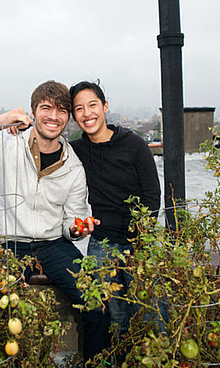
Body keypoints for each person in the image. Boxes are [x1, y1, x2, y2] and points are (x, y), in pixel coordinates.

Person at [0, 80, 109, 361]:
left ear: (68, 117)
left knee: (96, 304)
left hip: (53, 245)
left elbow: (72, 222)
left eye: (61, 110)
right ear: (33, 111)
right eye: (46, 108)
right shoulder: (5, 143)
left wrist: (79, 229)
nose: (53, 117)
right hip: (7, 242)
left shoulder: (73, 166)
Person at [69, 80, 161, 334]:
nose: (87, 113)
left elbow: (153, 196)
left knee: (154, 313)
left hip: (141, 242)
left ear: (105, 106)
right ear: (74, 116)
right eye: (79, 109)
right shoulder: (76, 150)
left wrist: (140, 237)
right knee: (114, 318)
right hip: (102, 244)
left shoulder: (134, 145)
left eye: (92, 105)